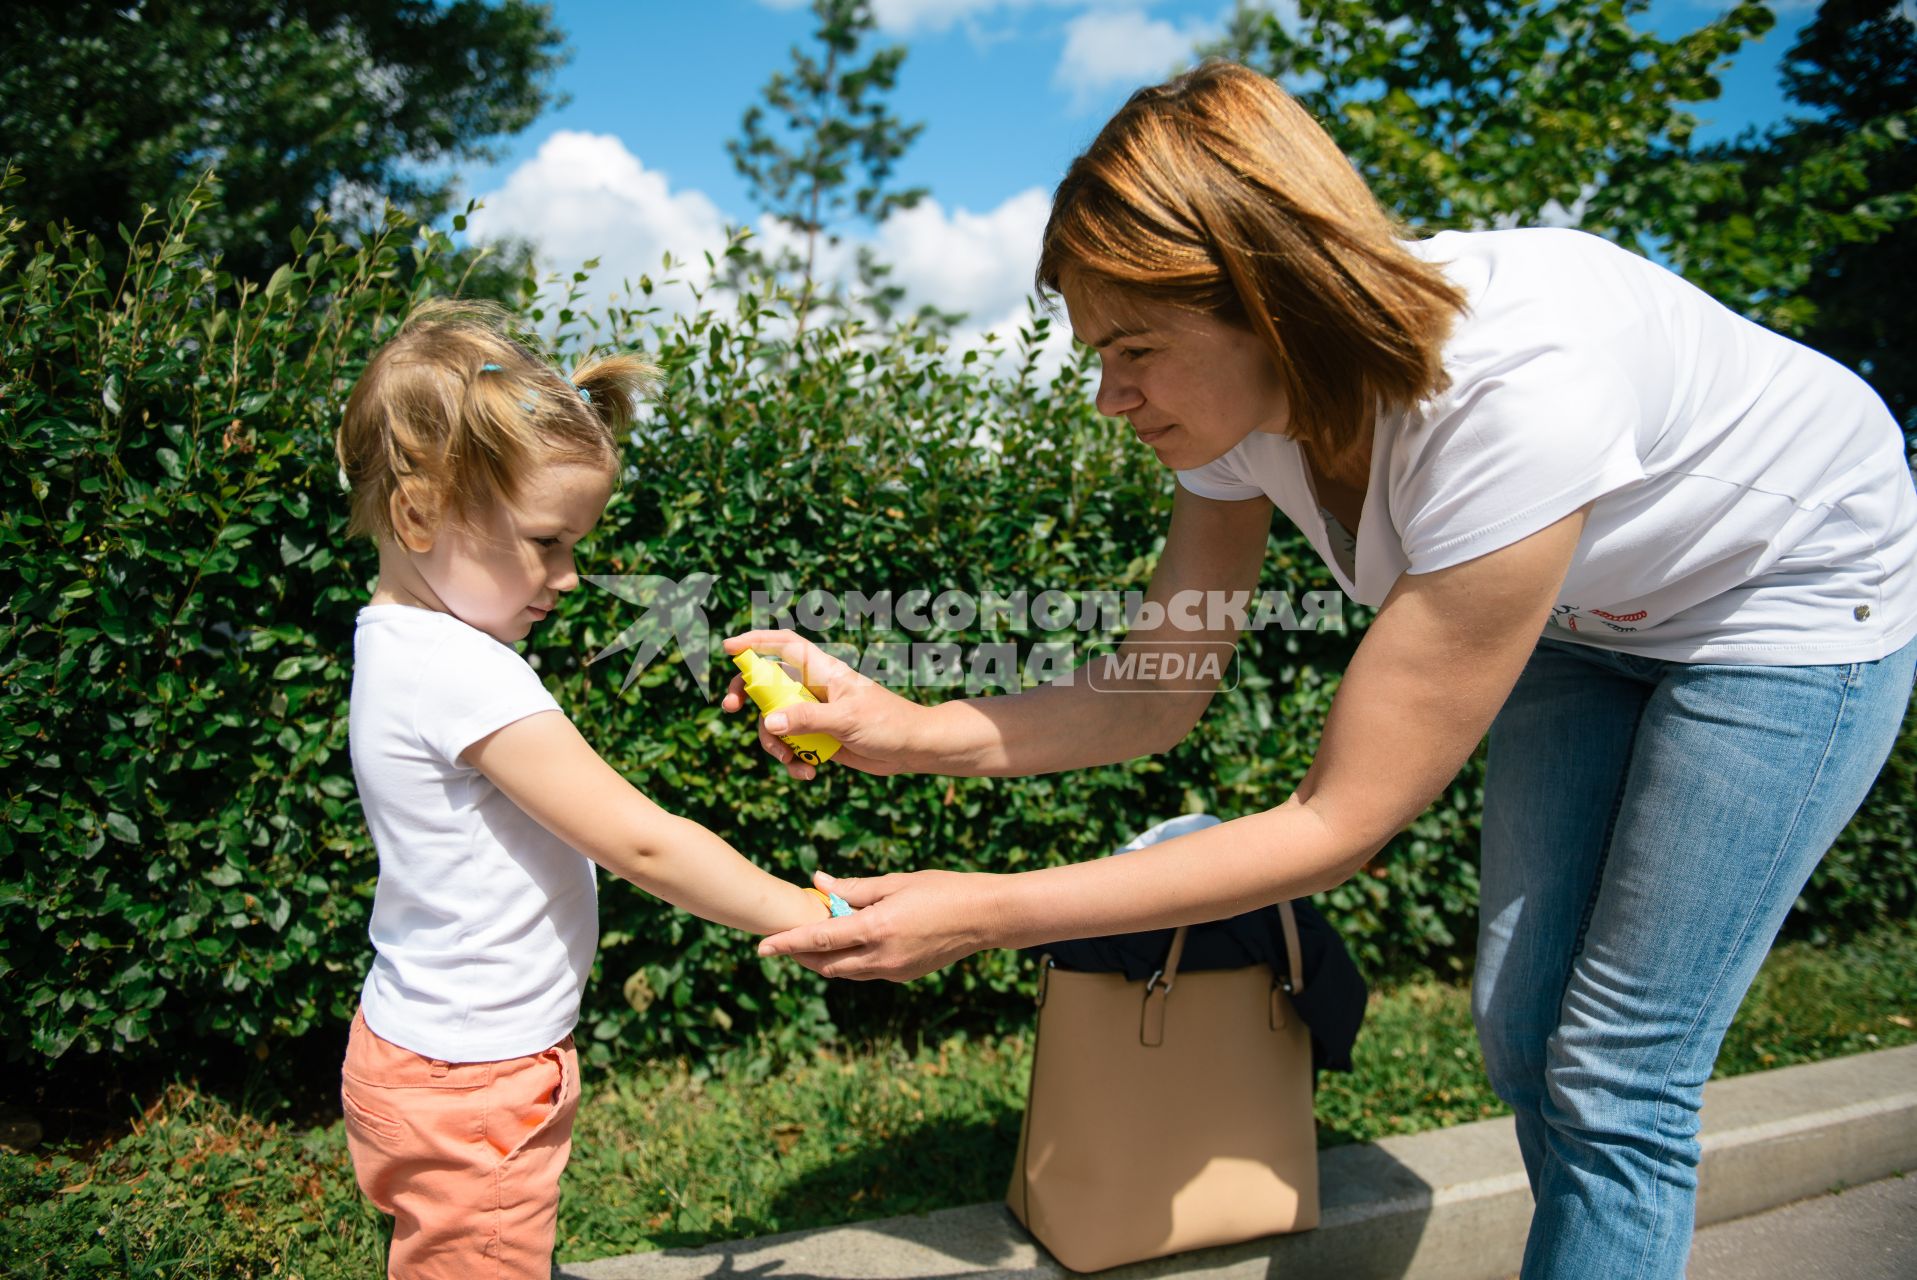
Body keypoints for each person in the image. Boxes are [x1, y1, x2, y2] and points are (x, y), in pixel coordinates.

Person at [724, 62, 1917, 1280]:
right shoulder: (1238, 429)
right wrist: (901, 723)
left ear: (1272, 294)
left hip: (1791, 601)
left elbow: (1337, 825)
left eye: (1134, 347)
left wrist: (983, 912)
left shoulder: (1515, 392)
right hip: (1585, 617)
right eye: (1097, 351)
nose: (1105, 396)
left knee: (1618, 1065)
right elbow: (1156, 687)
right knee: (1522, 1028)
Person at [332, 301, 843, 1280]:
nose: (569, 576)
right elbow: (640, 840)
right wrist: (810, 915)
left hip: (425, 1050)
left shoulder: (397, 643)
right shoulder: (463, 672)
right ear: (418, 512)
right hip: (475, 1077)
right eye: (546, 541)